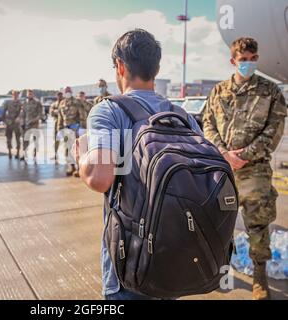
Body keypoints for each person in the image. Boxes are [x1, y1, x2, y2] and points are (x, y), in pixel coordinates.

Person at [74, 29, 202, 300]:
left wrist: (82, 156)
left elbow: (100, 178)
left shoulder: (108, 111)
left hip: (130, 263)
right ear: (155, 68)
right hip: (174, 257)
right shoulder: (182, 116)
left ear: (120, 66)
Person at [203, 37, 287, 300]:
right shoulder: (218, 91)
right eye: (243, 60)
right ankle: (219, 270)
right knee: (219, 222)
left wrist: (246, 156)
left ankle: (259, 275)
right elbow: (207, 123)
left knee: (258, 225)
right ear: (233, 61)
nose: (249, 64)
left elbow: (274, 130)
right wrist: (224, 153)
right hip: (223, 170)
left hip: (255, 171)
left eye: (253, 59)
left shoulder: (271, 91)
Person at [58, 87, 86, 177]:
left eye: (69, 92)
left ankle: (79, 169)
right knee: (68, 149)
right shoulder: (62, 103)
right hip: (66, 130)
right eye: (66, 92)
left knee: (77, 149)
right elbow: (60, 118)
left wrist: (81, 129)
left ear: (71, 92)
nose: (68, 93)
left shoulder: (76, 102)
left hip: (75, 129)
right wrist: (59, 129)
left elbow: (82, 115)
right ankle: (72, 167)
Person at [21, 90, 43, 163]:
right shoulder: (24, 103)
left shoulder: (37, 103)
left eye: (31, 94)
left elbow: (40, 114)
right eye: (28, 94)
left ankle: (35, 155)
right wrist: (22, 123)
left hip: (34, 125)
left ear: (33, 94)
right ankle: (24, 154)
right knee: (25, 140)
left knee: (35, 140)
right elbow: (23, 114)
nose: (29, 95)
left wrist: (33, 120)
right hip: (26, 125)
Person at [2, 90, 22, 159]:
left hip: (17, 123)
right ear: (12, 95)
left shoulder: (20, 103)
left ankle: (18, 153)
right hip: (9, 122)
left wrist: (19, 118)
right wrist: (5, 121)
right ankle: (9, 152)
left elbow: (22, 112)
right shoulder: (8, 102)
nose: (15, 95)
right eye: (14, 94)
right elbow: (3, 112)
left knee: (18, 138)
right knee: (8, 138)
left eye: (17, 94)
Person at [49, 91, 64, 162]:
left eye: (61, 95)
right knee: (56, 140)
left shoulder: (65, 103)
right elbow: (51, 112)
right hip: (56, 124)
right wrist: (59, 111)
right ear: (56, 96)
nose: (60, 96)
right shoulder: (54, 104)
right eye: (58, 95)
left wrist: (57, 111)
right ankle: (55, 154)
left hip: (64, 124)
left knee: (66, 140)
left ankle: (67, 156)